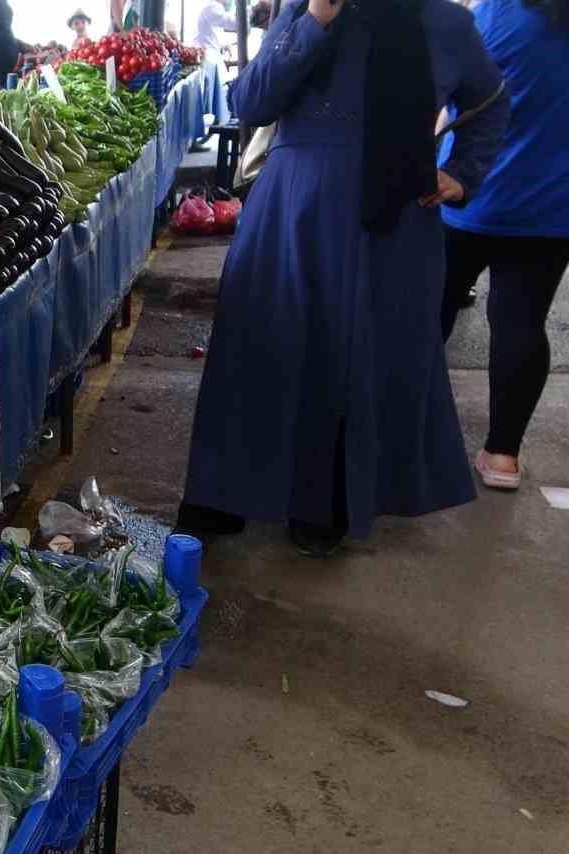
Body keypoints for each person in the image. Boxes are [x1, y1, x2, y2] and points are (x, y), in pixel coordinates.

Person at [177, 0, 507, 558]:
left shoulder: (443, 20)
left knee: (357, 357)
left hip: (392, 223)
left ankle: (325, 502)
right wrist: (314, 22)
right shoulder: (307, 8)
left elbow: (490, 101)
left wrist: (462, 173)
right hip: (291, 213)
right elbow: (251, 101)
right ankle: (225, 492)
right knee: (258, 347)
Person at [439, 0, 567, 491]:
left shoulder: (493, 15)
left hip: (467, 195)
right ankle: (503, 456)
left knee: (433, 308)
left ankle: (403, 427)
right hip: (551, 208)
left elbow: (451, 89)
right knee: (521, 322)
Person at [194, 0, 239, 125]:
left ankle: (222, 115)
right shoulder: (212, 7)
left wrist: (225, 44)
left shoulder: (214, 7)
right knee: (219, 88)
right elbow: (229, 22)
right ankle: (221, 117)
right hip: (207, 55)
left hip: (210, 54)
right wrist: (251, 17)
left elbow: (216, 32)